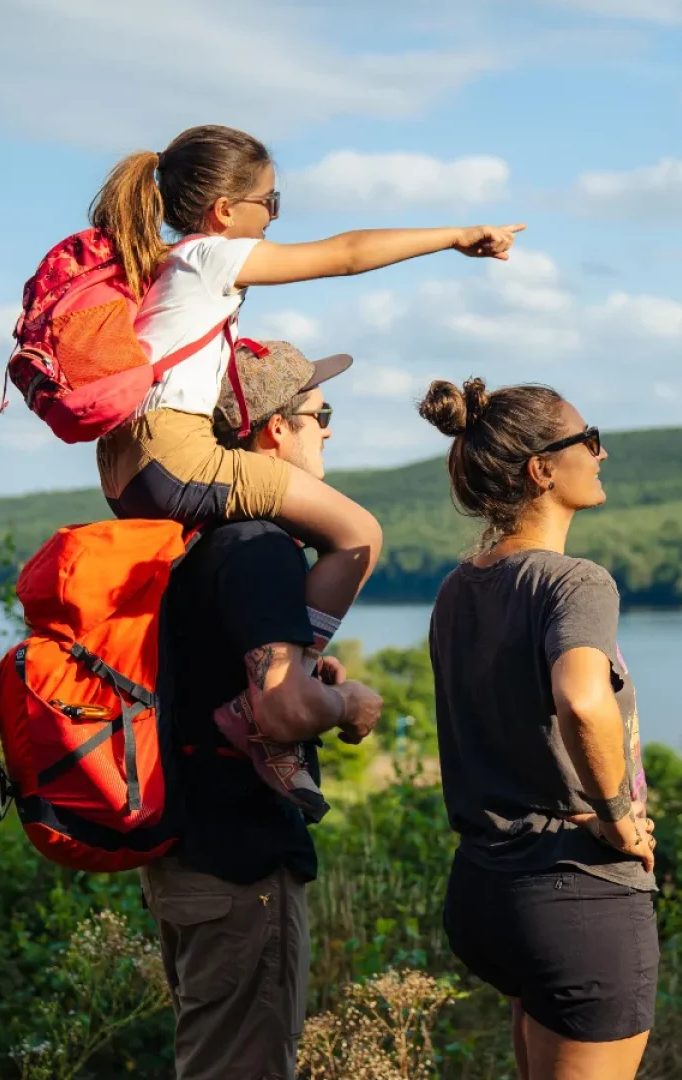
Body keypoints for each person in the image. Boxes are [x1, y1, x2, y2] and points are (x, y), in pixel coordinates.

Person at [87, 122, 523, 814]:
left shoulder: (164, 268)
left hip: (125, 468)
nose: (274, 218)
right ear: (226, 211)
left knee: (251, 563)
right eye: (270, 203)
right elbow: (346, 255)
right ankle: (268, 702)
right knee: (359, 534)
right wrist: (456, 234)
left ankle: (267, 680)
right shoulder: (209, 258)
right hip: (173, 450)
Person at [141, 339, 384, 1080]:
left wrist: (303, 680)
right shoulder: (258, 545)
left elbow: (243, 682)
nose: (329, 431)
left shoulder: (204, 542)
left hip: (194, 858)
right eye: (320, 415)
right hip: (239, 869)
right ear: (274, 430)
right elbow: (279, 710)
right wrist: (345, 703)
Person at [418, 378, 659, 1080]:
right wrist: (618, 816)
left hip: (488, 889)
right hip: (575, 891)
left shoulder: (460, 586)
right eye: (589, 439)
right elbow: (582, 701)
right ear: (542, 469)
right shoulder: (575, 583)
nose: (603, 452)